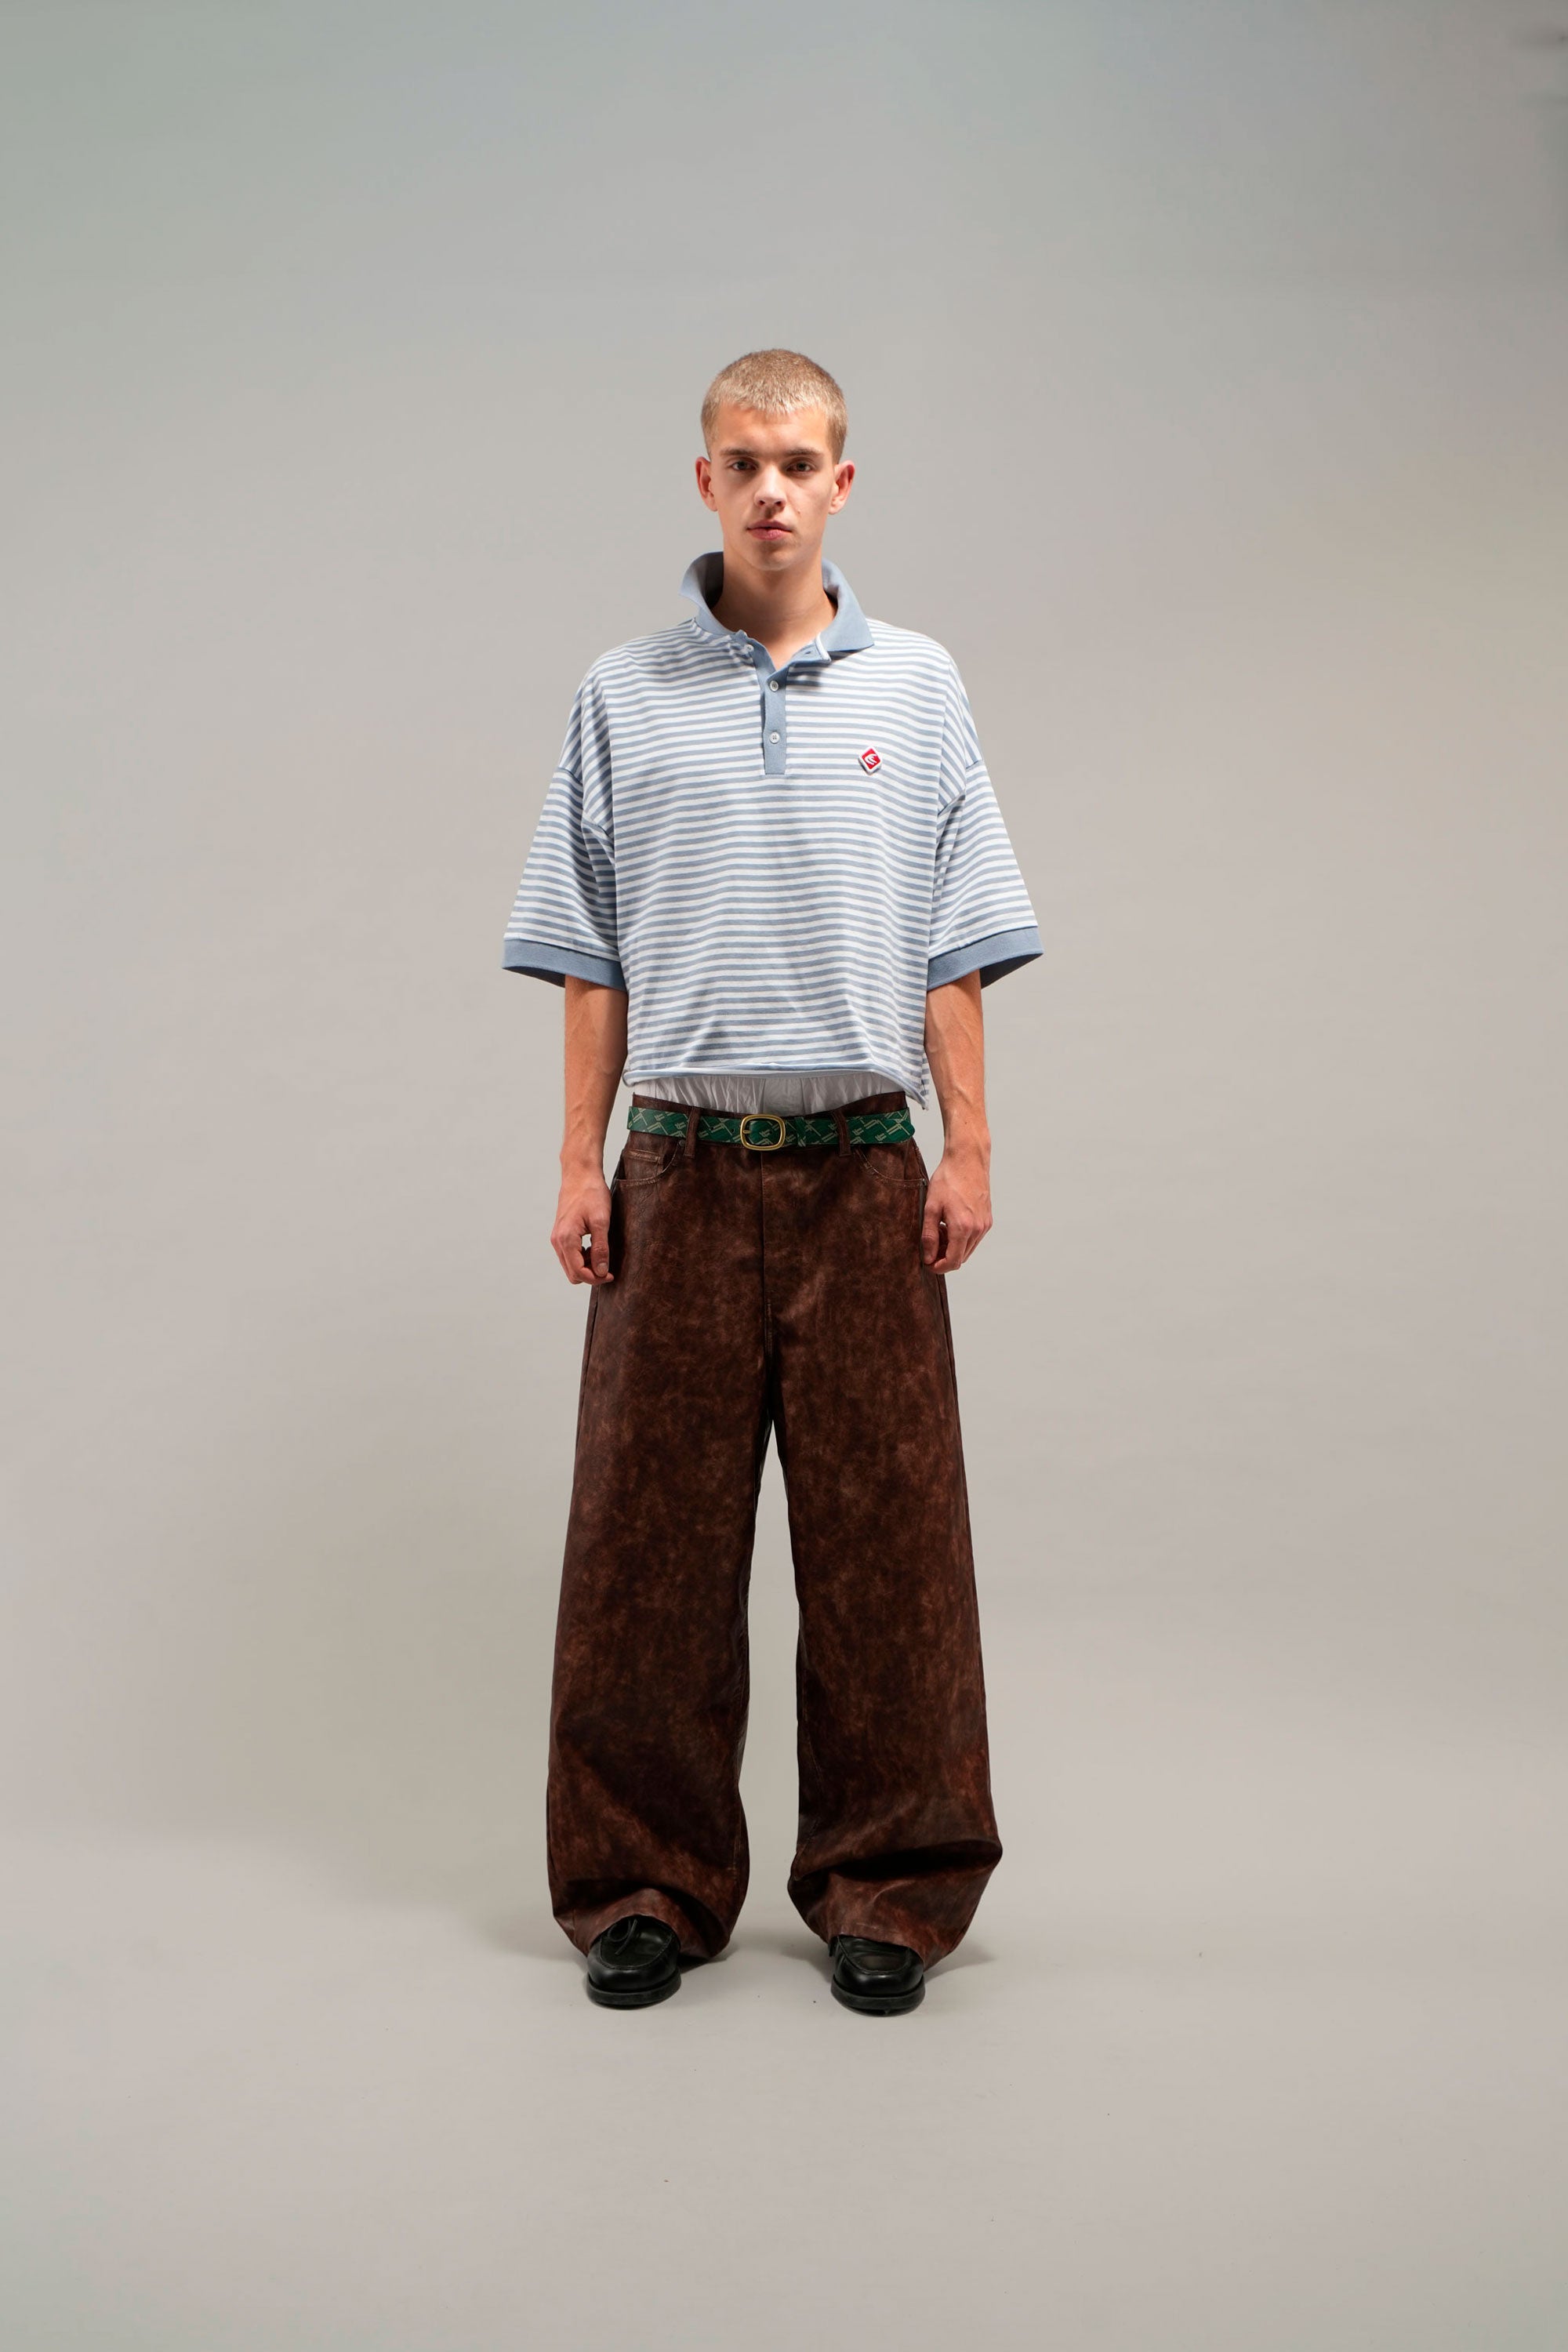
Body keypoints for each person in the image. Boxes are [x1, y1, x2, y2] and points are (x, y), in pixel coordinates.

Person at [502, 348, 1040, 2013]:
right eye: (743, 462)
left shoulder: (920, 688)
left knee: (891, 1544)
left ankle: (893, 1886)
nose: (772, 490)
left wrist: (969, 1145)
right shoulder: (622, 694)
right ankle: (641, 1888)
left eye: (800, 462)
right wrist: (578, 1163)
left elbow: (956, 943)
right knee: (642, 1549)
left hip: (863, 1170)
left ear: (842, 483)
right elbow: (590, 954)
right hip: (677, 1164)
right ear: (705, 482)